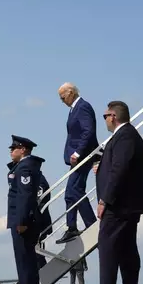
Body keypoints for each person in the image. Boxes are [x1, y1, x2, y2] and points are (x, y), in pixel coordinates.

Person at [96, 101, 143, 284]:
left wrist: (104, 200)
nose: (104, 120)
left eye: (105, 116)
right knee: (125, 248)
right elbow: (118, 165)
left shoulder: (125, 136)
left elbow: (119, 168)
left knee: (108, 247)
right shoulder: (125, 136)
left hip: (118, 205)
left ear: (113, 116)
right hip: (125, 204)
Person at [56, 83, 98, 244]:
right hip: (77, 157)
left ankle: (91, 223)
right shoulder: (74, 108)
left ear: (71, 92)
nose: (62, 101)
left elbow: (89, 131)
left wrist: (78, 152)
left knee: (75, 190)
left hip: (83, 156)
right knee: (70, 193)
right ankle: (71, 226)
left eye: (63, 97)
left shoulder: (83, 107)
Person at [6, 135, 45, 284]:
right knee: (25, 261)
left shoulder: (24, 168)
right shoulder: (22, 167)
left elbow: (25, 196)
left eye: (13, 148)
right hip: (22, 221)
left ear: (23, 150)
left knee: (25, 262)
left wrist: (21, 221)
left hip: (23, 223)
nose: (10, 151)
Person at [36, 173, 52, 284]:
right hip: (37, 224)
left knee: (37, 260)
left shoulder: (38, 178)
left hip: (37, 225)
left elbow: (40, 200)